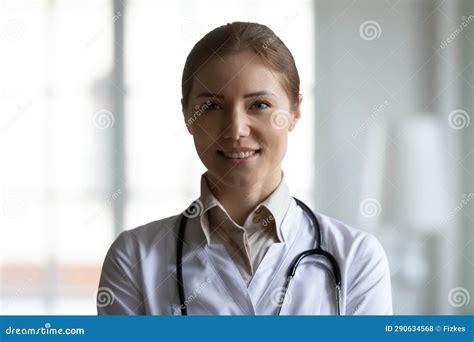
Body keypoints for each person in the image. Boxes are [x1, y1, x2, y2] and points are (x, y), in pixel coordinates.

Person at [97, 21, 393, 315]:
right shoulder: (133, 258)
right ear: (187, 114)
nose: (236, 129)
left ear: (294, 112)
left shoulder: (356, 258)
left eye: (259, 105)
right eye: (212, 106)